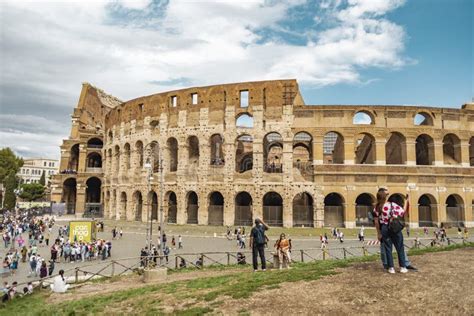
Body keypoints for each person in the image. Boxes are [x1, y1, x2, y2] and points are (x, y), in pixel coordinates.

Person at [374, 188, 408, 274]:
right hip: (394, 227)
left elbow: (376, 222)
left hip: (384, 228)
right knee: (400, 247)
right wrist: (406, 201)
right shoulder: (392, 205)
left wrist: (379, 233)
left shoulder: (377, 208)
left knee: (388, 248)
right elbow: (402, 211)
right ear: (385, 197)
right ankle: (402, 267)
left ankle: (391, 268)